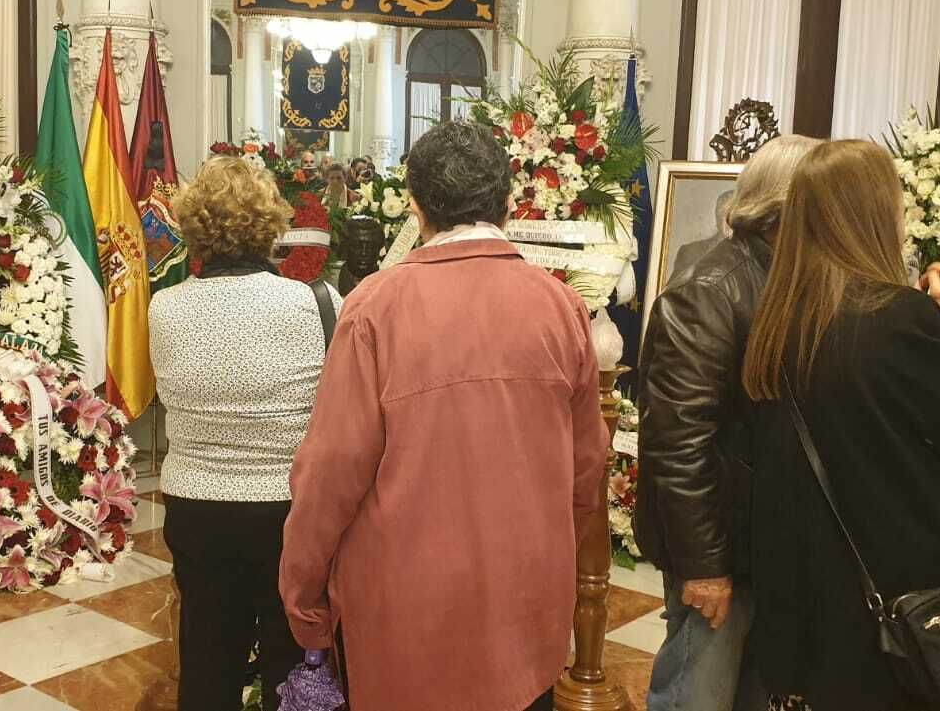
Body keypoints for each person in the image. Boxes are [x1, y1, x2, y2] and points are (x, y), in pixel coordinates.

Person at [280, 121, 608, 711]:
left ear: (414, 207)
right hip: (526, 606)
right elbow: (588, 471)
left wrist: (305, 599)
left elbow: (330, 473)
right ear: (507, 206)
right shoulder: (561, 307)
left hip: (404, 616)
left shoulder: (375, 308)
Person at [739, 140, 940, 711]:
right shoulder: (899, 315)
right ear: (875, 216)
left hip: (795, 579)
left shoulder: (776, 316)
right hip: (886, 582)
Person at [149, 155, 342, 711]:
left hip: (195, 504)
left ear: (195, 229)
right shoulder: (317, 302)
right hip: (288, 506)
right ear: (271, 225)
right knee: (291, 650)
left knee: (208, 649)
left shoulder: (164, 307)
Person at [639, 135, 820, 711]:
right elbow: (677, 445)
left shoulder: (785, 276)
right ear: (787, 207)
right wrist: (705, 566)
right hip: (722, 546)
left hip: (763, 539)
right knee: (697, 697)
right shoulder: (710, 290)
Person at [668, 187, 736, 283]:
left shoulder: (753, 256)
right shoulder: (690, 252)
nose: (730, 221)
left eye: (735, 215)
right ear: (717, 219)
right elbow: (672, 293)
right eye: (724, 214)